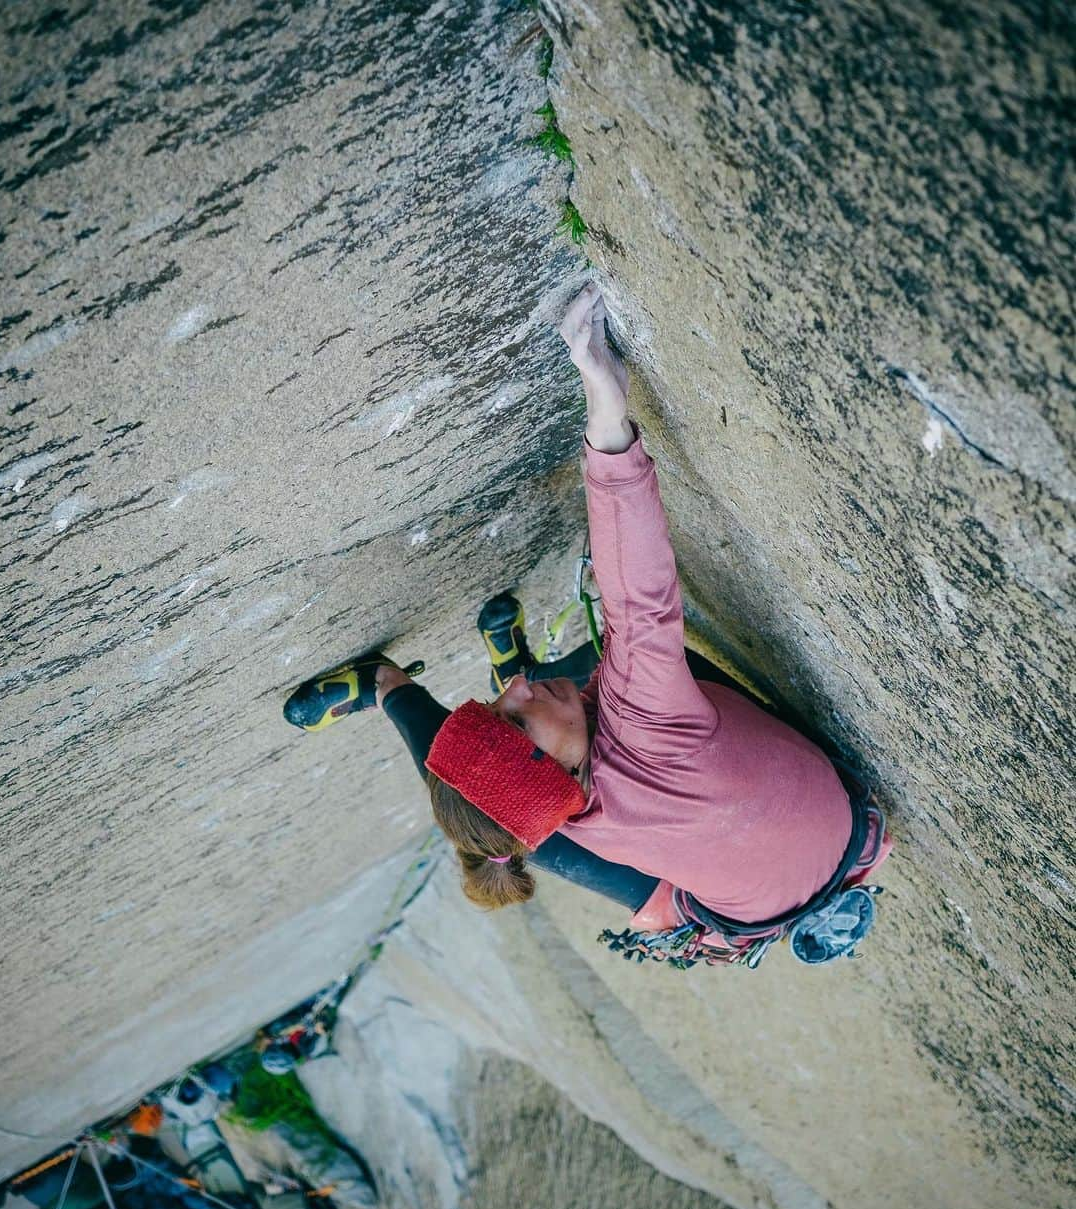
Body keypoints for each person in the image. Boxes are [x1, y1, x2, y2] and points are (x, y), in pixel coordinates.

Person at [285, 282, 890, 965]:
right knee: (540, 805)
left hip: (819, 856)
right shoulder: (639, 724)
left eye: (496, 700)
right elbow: (639, 598)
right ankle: (388, 682)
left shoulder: (567, 809)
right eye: (513, 719)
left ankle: (452, 677)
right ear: (562, 778)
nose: (509, 702)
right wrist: (606, 409)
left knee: (528, 816)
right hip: (746, 814)